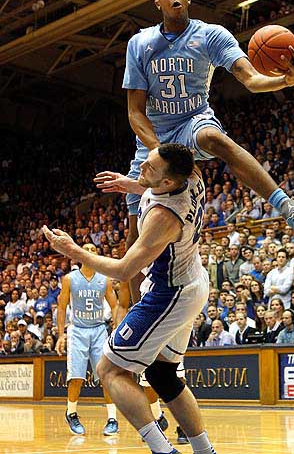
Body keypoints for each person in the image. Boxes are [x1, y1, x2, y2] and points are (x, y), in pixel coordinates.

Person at [122, 0, 294, 286]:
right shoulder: (140, 44)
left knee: (213, 137)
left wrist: (282, 82)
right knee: (135, 236)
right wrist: (158, 150)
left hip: (191, 122)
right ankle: (135, 322)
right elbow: (134, 111)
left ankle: (292, 212)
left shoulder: (211, 35)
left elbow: (249, 78)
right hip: (153, 136)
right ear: (158, 3)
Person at [44, 144, 216, 454]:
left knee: (109, 371)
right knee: (163, 374)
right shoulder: (191, 173)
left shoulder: (164, 217)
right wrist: (131, 183)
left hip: (170, 292)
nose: (143, 168)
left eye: (150, 169)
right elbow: (157, 179)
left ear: (166, 184)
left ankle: (163, 450)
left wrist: (73, 251)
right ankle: (205, 451)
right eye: (147, 161)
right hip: (192, 281)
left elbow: (124, 269)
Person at [54, 243, 122, 436]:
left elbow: (115, 305)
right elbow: (61, 307)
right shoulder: (69, 279)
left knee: (106, 376)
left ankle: (112, 418)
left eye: (94, 249)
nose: (90, 252)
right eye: (87, 249)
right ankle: (72, 413)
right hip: (77, 330)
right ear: (80, 254)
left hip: (99, 329)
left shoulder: (105, 279)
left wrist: (116, 326)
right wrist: (61, 334)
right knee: (76, 377)